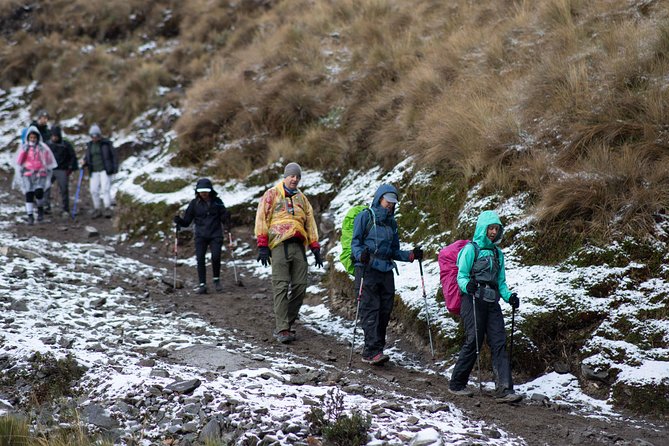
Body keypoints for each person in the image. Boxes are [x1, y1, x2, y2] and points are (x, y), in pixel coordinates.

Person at [448, 210, 522, 403]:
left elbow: (501, 282)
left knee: (499, 342)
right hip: (472, 299)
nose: (493, 232)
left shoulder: (498, 254)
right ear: (483, 229)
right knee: (474, 340)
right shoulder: (471, 250)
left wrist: (509, 297)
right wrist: (467, 286)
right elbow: (462, 276)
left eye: (496, 229)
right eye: (490, 228)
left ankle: (504, 389)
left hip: (492, 302)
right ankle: (457, 383)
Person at [350, 184, 422, 365]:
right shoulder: (365, 217)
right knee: (370, 309)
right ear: (379, 198)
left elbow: (394, 251)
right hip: (367, 269)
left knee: (384, 311)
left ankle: (377, 350)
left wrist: (411, 255)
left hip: (386, 270)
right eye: (387, 200)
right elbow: (355, 243)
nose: (390, 205)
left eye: (393, 202)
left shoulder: (392, 223)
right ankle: (371, 351)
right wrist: (361, 255)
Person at [254, 162, 323, 344]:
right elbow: (262, 217)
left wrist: (315, 247)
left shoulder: (302, 199)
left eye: (298, 177)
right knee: (281, 286)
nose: (295, 179)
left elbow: (310, 222)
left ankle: (287, 321)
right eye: (292, 176)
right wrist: (262, 244)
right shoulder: (272, 194)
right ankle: (283, 328)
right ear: (285, 176)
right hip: (278, 244)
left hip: (298, 245)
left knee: (300, 286)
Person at [174, 178, 232, 295]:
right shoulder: (194, 204)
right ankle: (202, 285)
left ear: (210, 190)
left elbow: (224, 218)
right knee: (200, 259)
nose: (204, 193)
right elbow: (187, 221)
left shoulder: (217, 202)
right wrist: (179, 221)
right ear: (197, 191)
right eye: (201, 191)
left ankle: (216, 280)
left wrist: (226, 217)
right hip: (200, 235)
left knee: (216, 257)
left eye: (206, 191)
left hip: (216, 234)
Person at [13, 126, 57, 225]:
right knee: (29, 194)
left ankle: (40, 210)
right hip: (27, 174)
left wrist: (47, 168)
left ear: (37, 138)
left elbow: (49, 160)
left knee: (39, 192)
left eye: (34, 137)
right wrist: (20, 170)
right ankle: (30, 215)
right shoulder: (24, 148)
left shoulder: (42, 148)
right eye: (31, 137)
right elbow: (19, 161)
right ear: (28, 138)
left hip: (40, 174)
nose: (32, 139)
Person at [82, 124, 117, 218]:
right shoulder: (90, 145)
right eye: (92, 136)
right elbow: (88, 156)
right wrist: (84, 162)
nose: (94, 138)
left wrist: (114, 168)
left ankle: (107, 208)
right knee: (93, 190)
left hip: (105, 169)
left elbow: (113, 156)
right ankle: (97, 208)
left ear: (99, 135)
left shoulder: (106, 143)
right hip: (93, 170)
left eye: (96, 135)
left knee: (105, 189)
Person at [44, 125, 78, 217]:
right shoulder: (47, 145)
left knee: (64, 189)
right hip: (49, 170)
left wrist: (71, 167)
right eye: (53, 136)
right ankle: (46, 207)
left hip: (62, 169)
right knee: (46, 187)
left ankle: (65, 209)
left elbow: (72, 156)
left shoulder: (65, 145)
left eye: (56, 136)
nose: (54, 138)